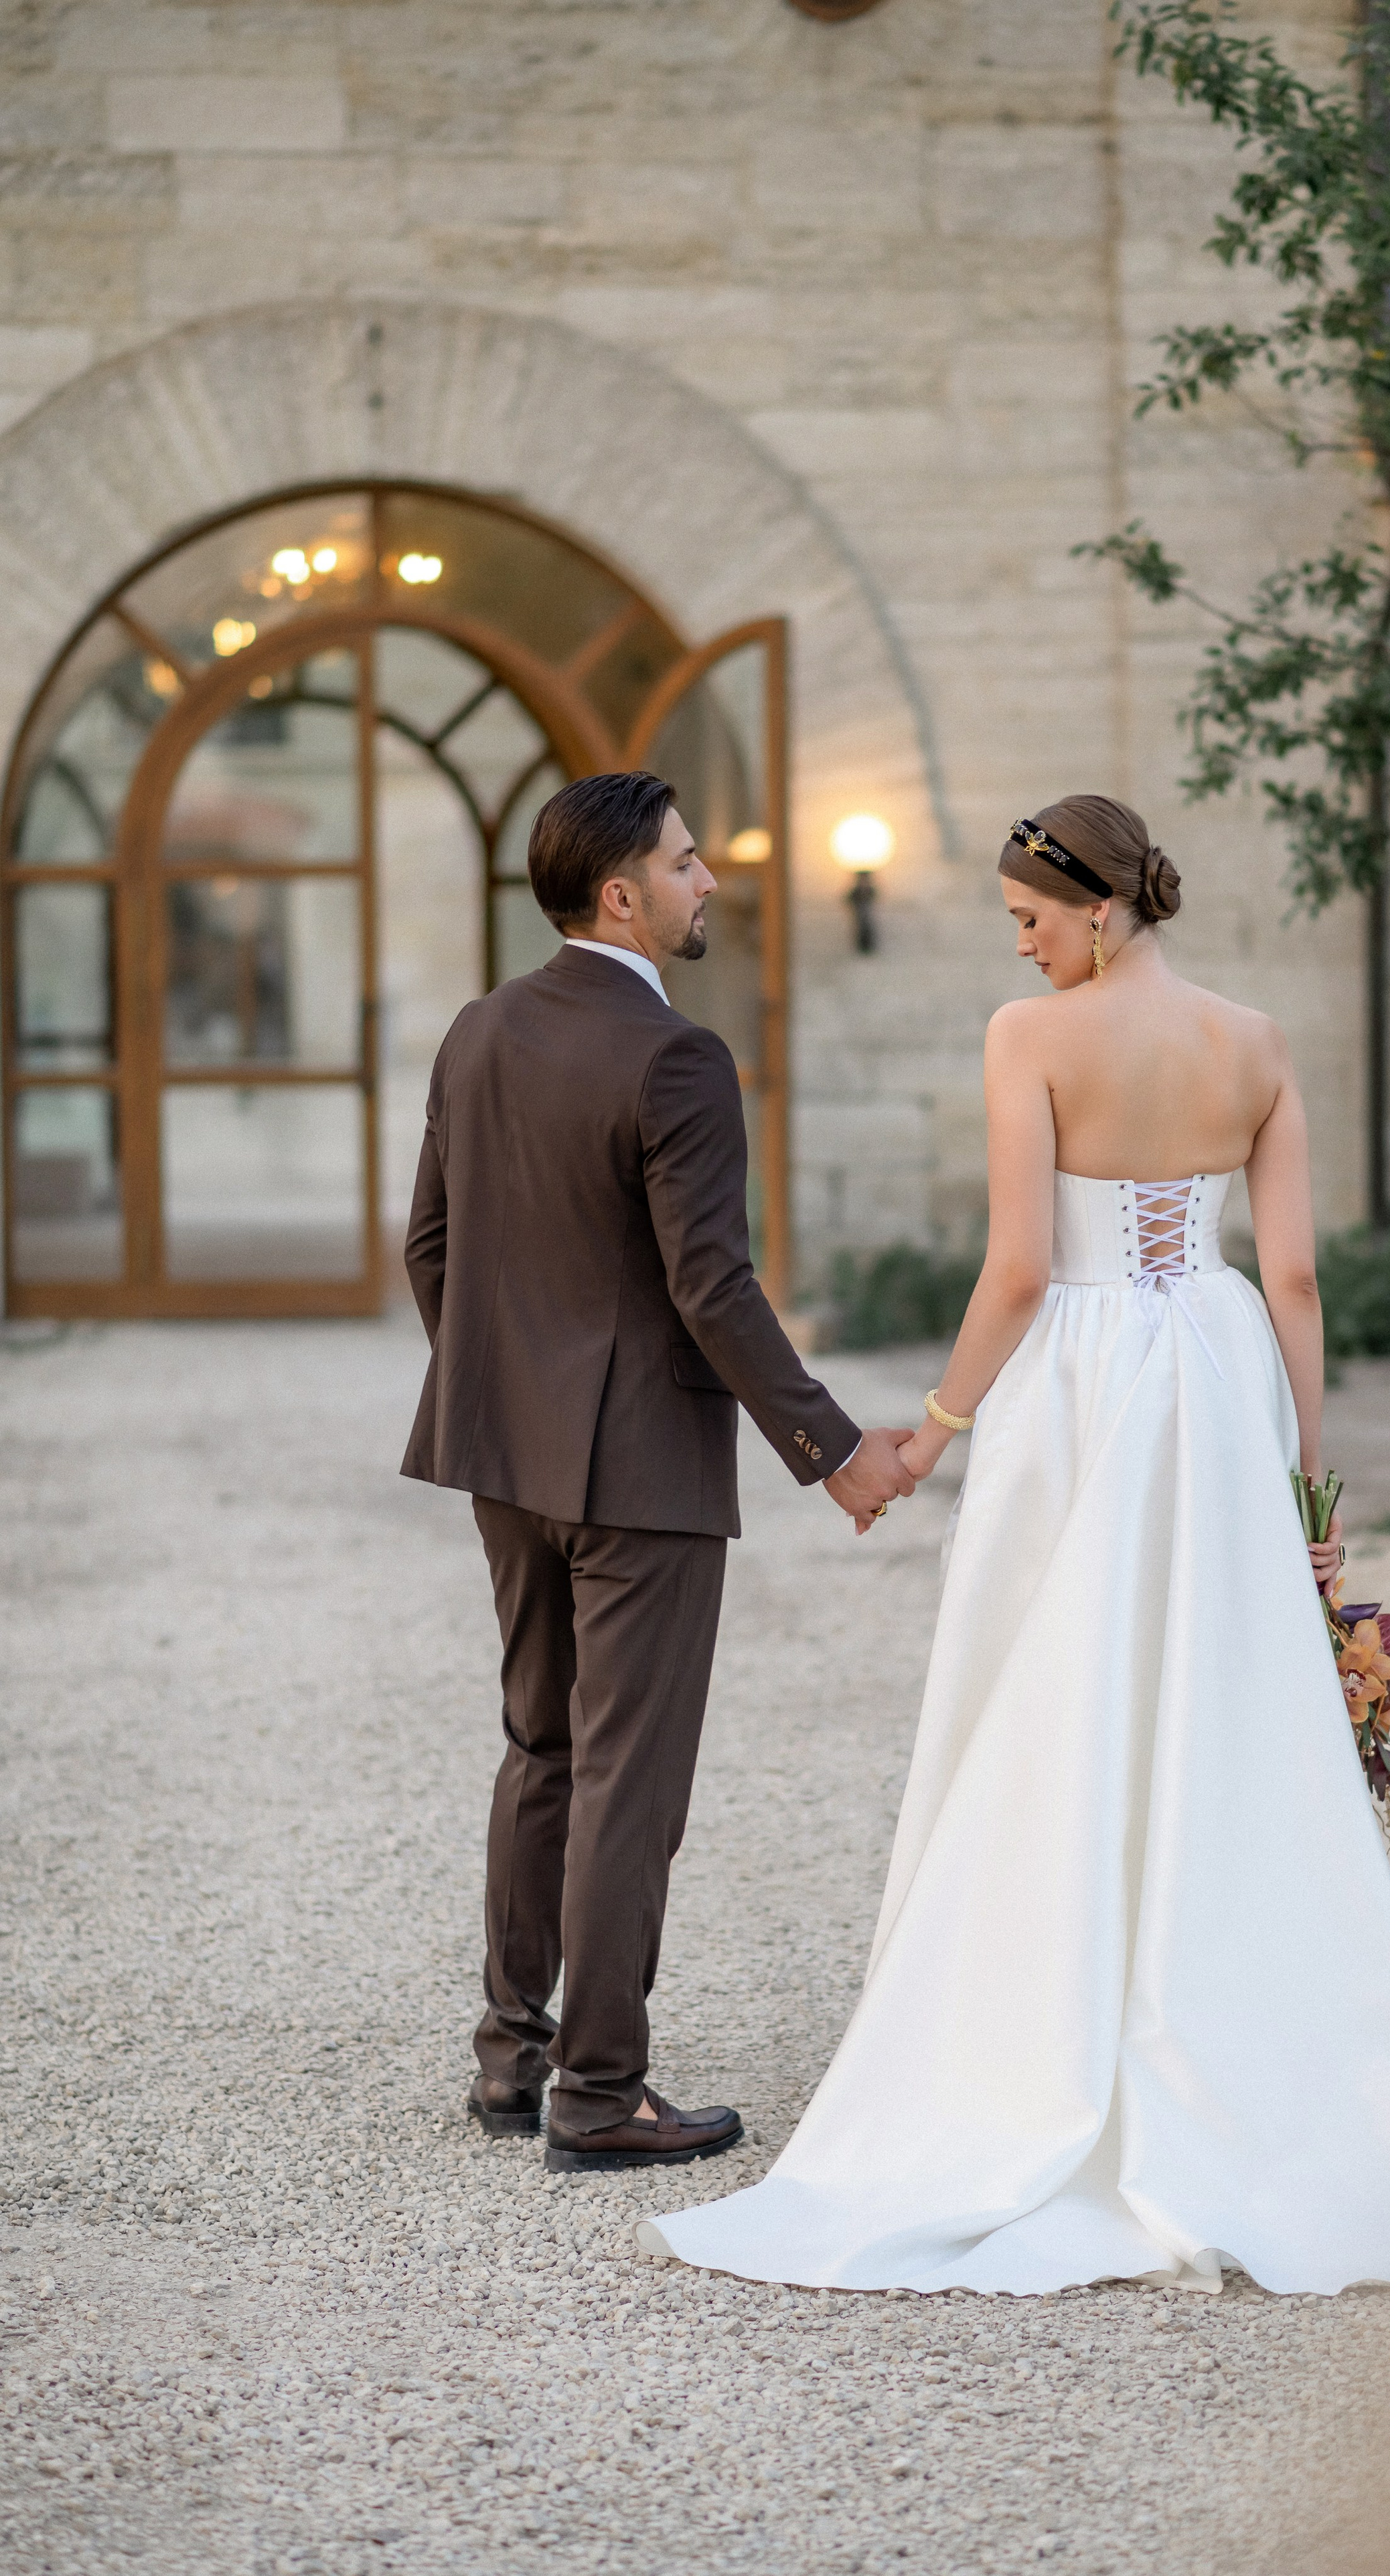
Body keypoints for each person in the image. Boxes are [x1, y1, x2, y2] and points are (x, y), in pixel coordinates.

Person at [640, 794, 1390, 2295]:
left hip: (1076, 1378)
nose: (1020, 943)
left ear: (1104, 908)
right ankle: (1233, 2055)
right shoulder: (1252, 1042)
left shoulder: (1028, 1039)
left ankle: (1037, 2032)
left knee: (1048, 1688)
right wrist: (1308, 1489)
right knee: (1211, 1694)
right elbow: (1299, 1276)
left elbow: (1016, 1266)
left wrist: (931, 1426)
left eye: (1031, 918)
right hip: (1212, 1359)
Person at [401, 771, 916, 2174]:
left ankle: (513, 2057)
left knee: (541, 1746)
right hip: (637, 1473)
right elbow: (713, 1286)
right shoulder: (676, 1058)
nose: (707, 884)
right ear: (620, 893)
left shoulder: (480, 1029)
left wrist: (501, 1387)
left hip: (504, 1456)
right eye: (687, 865)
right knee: (629, 1773)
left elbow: (429, 1249)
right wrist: (834, 1451)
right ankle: (600, 2090)